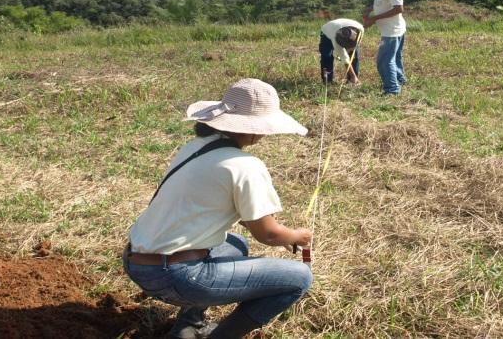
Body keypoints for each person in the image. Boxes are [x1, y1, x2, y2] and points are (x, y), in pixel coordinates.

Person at [123, 78, 313, 339]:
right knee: (299, 278)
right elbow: (267, 234)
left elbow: (234, 213)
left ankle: (189, 326)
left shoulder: (195, 148)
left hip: (136, 260)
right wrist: (297, 236)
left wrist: (275, 230)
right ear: (256, 129)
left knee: (235, 244)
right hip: (174, 276)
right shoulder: (245, 166)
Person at [361, 0, 407, 95]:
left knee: (384, 61)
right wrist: (369, 10)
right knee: (395, 57)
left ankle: (392, 90)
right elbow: (382, 4)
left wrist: (374, 19)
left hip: (392, 31)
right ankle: (400, 80)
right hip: (392, 29)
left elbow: (399, 8)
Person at [319, 18, 363, 85]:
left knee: (354, 55)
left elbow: (357, 43)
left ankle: (352, 81)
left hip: (342, 25)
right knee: (327, 56)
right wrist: (353, 75)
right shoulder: (335, 38)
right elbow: (345, 59)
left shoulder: (360, 29)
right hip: (327, 32)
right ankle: (328, 80)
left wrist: (352, 49)